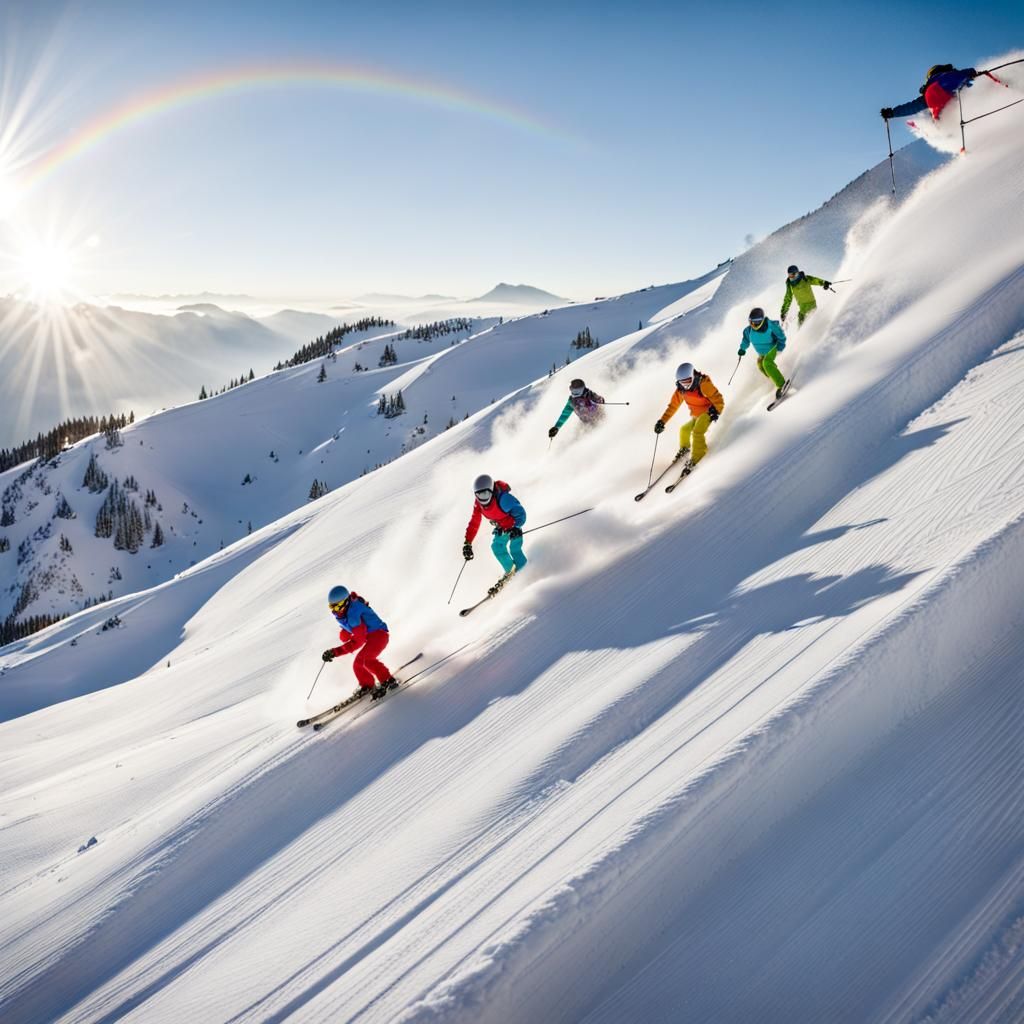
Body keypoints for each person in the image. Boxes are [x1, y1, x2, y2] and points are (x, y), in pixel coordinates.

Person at [321, 585, 397, 700]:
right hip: (372, 637)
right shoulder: (347, 611)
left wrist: (335, 652)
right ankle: (367, 685)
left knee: (366, 660)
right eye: (332, 607)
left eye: (338, 607)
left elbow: (358, 642)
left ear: (346, 602)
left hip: (379, 636)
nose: (335, 611)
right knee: (359, 663)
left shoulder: (352, 615)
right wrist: (345, 633)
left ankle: (387, 680)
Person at [463, 473, 527, 593]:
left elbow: (521, 513)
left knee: (515, 549)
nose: (483, 499)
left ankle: (523, 570)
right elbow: (474, 522)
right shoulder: (478, 504)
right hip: (501, 528)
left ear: (492, 490)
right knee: (496, 547)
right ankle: (510, 571)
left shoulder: (504, 499)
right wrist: (468, 542)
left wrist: (516, 527)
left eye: (486, 494)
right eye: (479, 495)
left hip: (513, 527)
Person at [653, 361, 724, 466]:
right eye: (682, 382)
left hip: (708, 413)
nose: (685, 385)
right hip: (696, 416)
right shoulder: (681, 390)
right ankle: (685, 448)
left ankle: (697, 457)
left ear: (693, 376)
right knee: (684, 430)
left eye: (687, 381)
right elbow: (673, 406)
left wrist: (716, 410)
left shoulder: (703, 384)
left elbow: (718, 399)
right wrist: (662, 421)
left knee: (697, 432)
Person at [881, 64, 978, 122]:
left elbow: (912, 107)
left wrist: (893, 113)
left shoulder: (930, 87)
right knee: (963, 84)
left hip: (937, 95)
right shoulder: (950, 74)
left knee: (928, 109)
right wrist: (972, 73)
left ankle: (940, 124)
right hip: (953, 89)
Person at [738, 307, 788, 399]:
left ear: (762, 320)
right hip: (762, 353)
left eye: (757, 321)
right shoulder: (748, 330)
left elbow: (781, 336)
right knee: (760, 365)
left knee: (767, 363)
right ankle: (774, 378)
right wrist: (742, 349)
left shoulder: (770, 326)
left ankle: (781, 384)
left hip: (772, 348)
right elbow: (745, 341)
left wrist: (780, 346)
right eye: (752, 321)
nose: (754, 324)